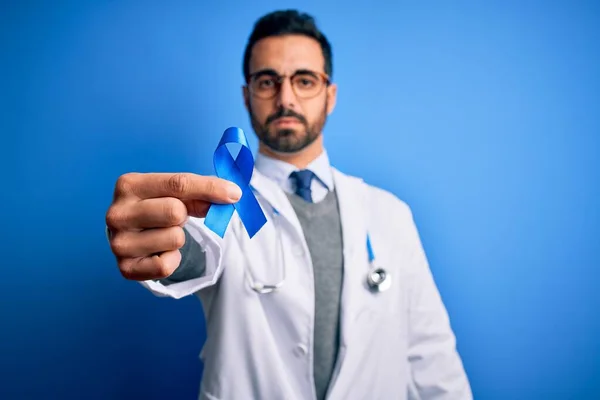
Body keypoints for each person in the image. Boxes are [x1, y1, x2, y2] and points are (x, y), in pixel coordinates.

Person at [105, 9, 472, 400]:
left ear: (329, 95)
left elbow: (431, 359)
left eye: (304, 80)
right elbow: (195, 251)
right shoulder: (225, 204)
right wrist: (156, 238)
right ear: (247, 96)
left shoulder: (389, 214)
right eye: (267, 81)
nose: (285, 98)